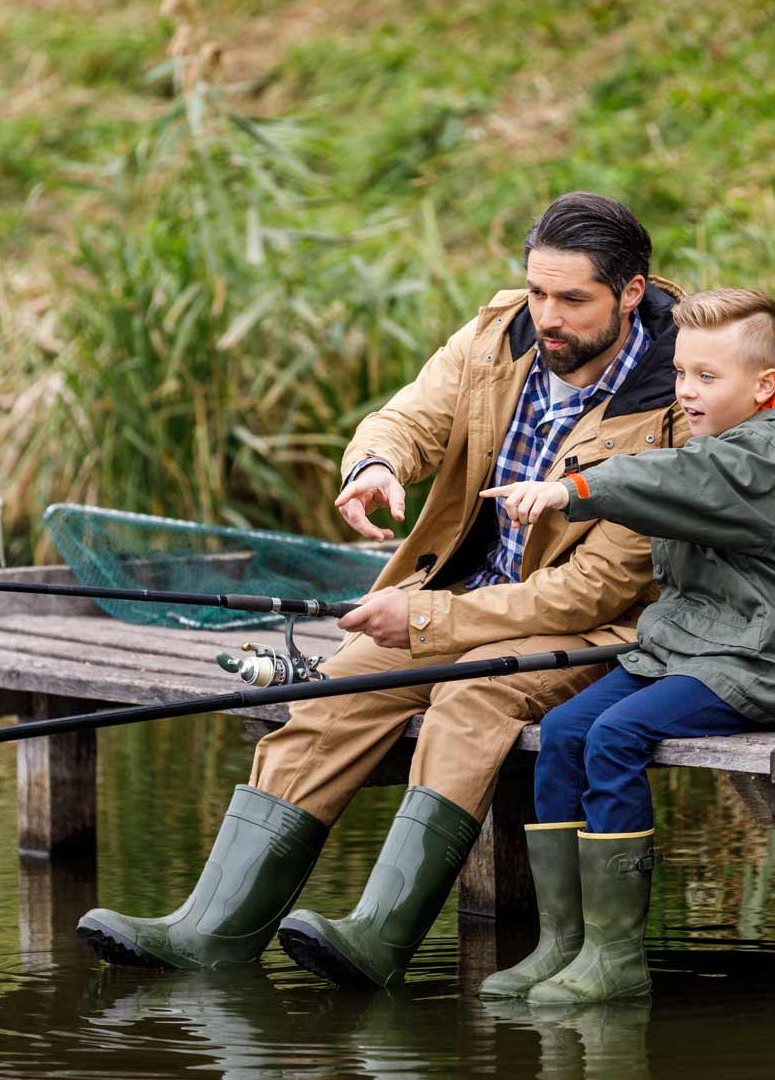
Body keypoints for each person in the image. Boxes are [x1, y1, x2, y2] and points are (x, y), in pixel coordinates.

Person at [77, 193, 687, 987]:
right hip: (460, 602)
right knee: (336, 691)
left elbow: (595, 590)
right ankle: (211, 931)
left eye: (573, 300)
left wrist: (427, 617)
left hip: (594, 630)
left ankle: (380, 936)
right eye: (539, 292)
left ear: (631, 292)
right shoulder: (498, 335)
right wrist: (374, 465)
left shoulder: (675, 400)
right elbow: (409, 417)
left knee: (471, 702)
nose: (549, 316)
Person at [476, 287, 775, 1003]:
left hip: (770, 658)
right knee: (563, 730)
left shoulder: (771, 455)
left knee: (617, 735)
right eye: (681, 373)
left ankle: (616, 960)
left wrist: (572, 489)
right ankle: (563, 943)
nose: (686, 391)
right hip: (697, 646)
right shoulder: (720, 437)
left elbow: (681, 478)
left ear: (764, 385)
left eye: (707, 378)